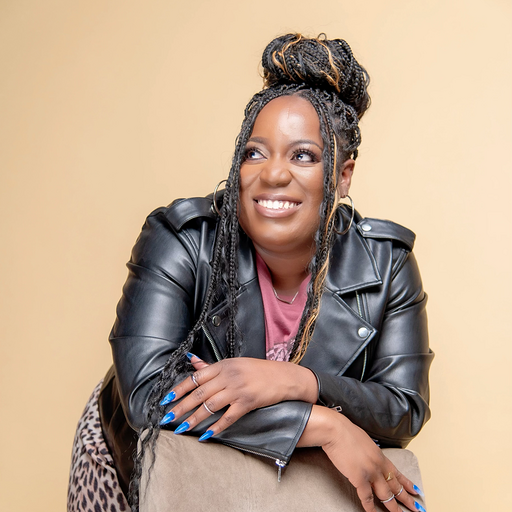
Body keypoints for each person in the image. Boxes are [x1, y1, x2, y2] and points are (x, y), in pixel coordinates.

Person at [68, 34, 433, 512]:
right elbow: (148, 395)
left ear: (343, 176)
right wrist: (322, 424)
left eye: (303, 155)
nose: (273, 174)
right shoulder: (181, 238)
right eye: (255, 153)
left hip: (275, 483)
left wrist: (298, 382)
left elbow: (403, 408)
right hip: (134, 463)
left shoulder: (386, 263)